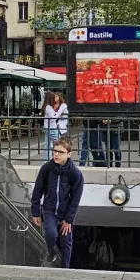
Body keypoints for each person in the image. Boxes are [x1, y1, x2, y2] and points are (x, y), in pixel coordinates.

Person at [31, 137, 84, 268]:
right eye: (55, 151)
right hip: (50, 210)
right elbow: (37, 190)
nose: (56, 154)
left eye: (61, 152)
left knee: (66, 241)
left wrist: (69, 219)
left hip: (66, 212)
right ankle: (51, 252)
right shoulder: (47, 169)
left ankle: (65, 269)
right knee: (51, 234)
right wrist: (35, 212)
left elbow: (75, 199)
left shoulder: (75, 173)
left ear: (69, 154)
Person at [43, 91, 69, 160]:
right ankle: (58, 159)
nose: (55, 98)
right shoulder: (49, 107)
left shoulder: (47, 106)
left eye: (56, 96)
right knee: (58, 144)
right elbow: (53, 118)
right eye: (54, 97)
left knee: (48, 146)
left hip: (49, 127)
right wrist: (60, 112)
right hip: (52, 127)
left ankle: (47, 161)